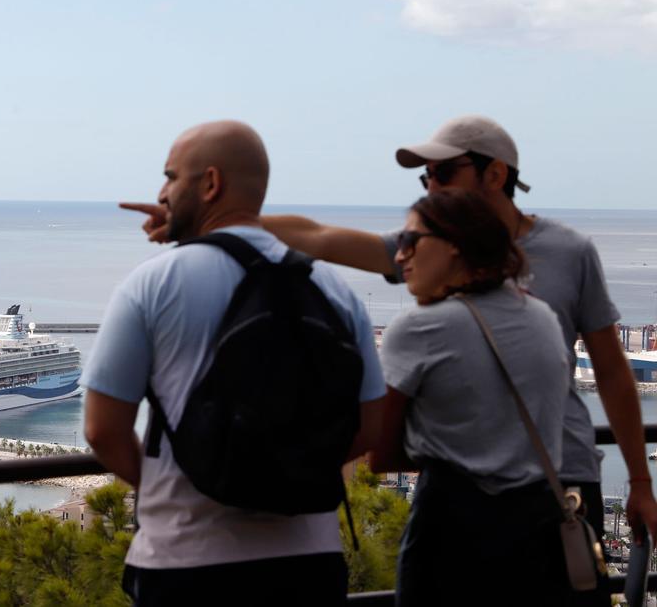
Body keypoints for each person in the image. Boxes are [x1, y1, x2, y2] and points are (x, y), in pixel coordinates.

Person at [123, 115, 655, 605]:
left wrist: (639, 483)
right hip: (467, 483)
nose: (432, 186)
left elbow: (610, 372)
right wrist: (197, 216)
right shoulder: (427, 248)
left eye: (444, 171)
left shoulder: (566, 250)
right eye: (425, 178)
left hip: (562, 477)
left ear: (496, 174)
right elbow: (317, 237)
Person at [83, 120, 386, 606]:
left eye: (170, 177)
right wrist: (289, 472)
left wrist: (189, 477)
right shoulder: (334, 290)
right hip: (309, 560)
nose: (162, 193)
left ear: (209, 183)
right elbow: (370, 426)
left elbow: (103, 430)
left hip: (185, 559)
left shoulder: (152, 284)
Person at [369, 189, 572, 605]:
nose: (399, 256)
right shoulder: (542, 317)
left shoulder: (418, 329)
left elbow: (382, 453)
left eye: (409, 241)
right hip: (539, 525)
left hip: (451, 532)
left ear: (455, 246)